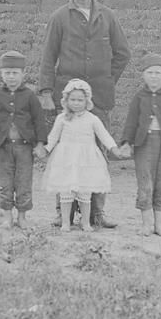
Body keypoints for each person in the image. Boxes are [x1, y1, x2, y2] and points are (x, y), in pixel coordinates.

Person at [38, 0, 131, 228]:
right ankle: (62, 212)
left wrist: (106, 79)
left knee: (98, 156)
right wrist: (46, 91)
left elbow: (123, 53)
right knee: (65, 155)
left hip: (99, 98)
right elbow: (48, 56)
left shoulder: (108, 17)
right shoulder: (60, 17)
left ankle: (97, 213)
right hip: (67, 98)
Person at [42, 79, 130, 233]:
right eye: (73, 100)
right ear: (66, 100)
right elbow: (52, 137)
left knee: (85, 191)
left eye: (80, 100)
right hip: (66, 159)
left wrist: (114, 149)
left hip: (86, 160)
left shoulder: (92, 119)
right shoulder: (62, 118)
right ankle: (65, 222)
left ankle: (85, 223)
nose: (76, 103)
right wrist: (45, 149)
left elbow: (104, 136)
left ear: (87, 101)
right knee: (66, 191)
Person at [119, 54, 161, 236]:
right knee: (145, 183)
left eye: (158, 72)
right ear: (143, 75)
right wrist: (126, 143)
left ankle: (159, 224)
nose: (154, 76)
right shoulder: (139, 97)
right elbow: (131, 123)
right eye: (150, 72)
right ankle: (146, 224)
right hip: (143, 145)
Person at [0, 50, 49, 229]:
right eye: (7, 73)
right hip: (3, 148)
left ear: (23, 74)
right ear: (2, 74)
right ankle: (7, 217)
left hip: (25, 148)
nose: (11, 77)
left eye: (15, 73)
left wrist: (40, 144)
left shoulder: (30, 96)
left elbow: (39, 120)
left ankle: (22, 217)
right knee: (5, 182)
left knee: (24, 182)